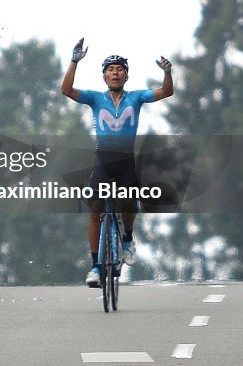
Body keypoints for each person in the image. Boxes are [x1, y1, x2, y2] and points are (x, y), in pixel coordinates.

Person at [60, 38, 174, 288]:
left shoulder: (136, 97)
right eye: (110, 70)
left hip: (125, 162)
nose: (115, 73)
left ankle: (128, 238)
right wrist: (74, 61)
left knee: (128, 200)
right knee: (95, 209)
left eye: (119, 70)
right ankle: (95, 266)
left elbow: (166, 92)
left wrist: (167, 72)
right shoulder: (94, 98)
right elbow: (66, 90)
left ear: (126, 76)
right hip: (103, 160)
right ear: (104, 77)